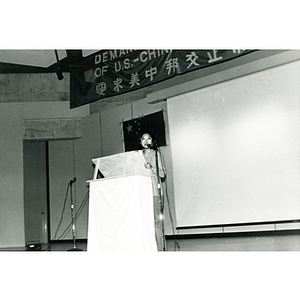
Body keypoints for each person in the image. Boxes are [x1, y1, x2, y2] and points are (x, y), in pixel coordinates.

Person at [138, 132, 166, 251]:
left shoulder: (156, 154)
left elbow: (163, 173)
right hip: (141, 193)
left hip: (154, 192)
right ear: (140, 141)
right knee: (143, 223)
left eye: (148, 138)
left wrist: (152, 168)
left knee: (156, 223)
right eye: (143, 139)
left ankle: (160, 249)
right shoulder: (138, 156)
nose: (146, 141)